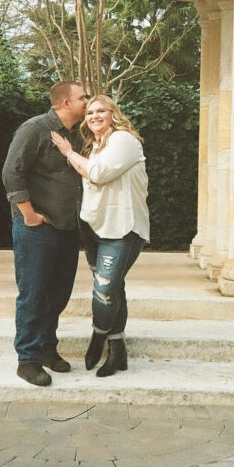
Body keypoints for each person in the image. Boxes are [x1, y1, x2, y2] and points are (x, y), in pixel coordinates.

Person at [51, 94, 149, 377]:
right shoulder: (94, 146)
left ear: (113, 113)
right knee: (114, 287)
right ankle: (117, 350)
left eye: (101, 110)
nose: (94, 116)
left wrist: (68, 152)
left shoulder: (123, 140)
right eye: (90, 112)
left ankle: (98, 335)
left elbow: (99, 174)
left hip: (123, 229)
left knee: (104, 292)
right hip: (95, 228)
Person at [2, 81, 87, 386]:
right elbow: (12, 172)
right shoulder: (35, 128)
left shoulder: (77, 135)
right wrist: (29, 215)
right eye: (82, 98)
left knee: (57, 295)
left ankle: (48, 350)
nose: (86, 102)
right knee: (33, 294)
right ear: (65, 102)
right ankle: (27, 359)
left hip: (67, 228)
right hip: (37, 229)